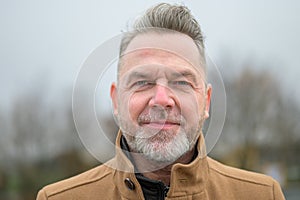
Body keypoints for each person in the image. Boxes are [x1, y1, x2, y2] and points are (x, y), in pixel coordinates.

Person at [36, 3, 285, 199]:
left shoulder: (262, 195)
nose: (162, 100)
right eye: (143, 82)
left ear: (206, 102)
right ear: (115, 100)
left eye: (181, 82)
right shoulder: (59, 198)